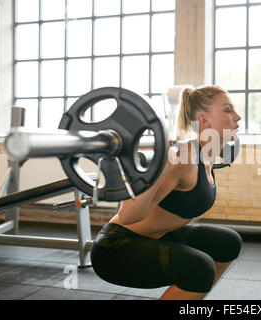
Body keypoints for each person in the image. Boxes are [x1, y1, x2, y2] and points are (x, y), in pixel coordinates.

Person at [90, 85, 243, 300]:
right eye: (228, 110)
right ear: (204, 121)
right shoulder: (183, 158)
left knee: (228, 242)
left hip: (158, 237)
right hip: (116, 248)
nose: (237, 117)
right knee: (200, 268)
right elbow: (128, 216)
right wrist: (160, 165)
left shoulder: (207, 156)